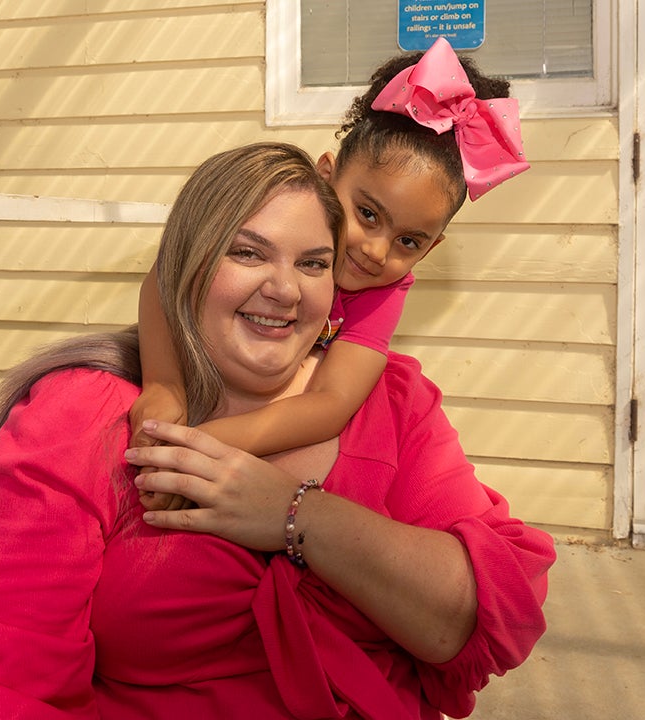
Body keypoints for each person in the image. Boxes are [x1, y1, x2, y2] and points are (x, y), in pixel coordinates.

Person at [0, 141, 554, 719]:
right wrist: (165, 393)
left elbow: (491, 612)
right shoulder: (85, 417)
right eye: (247, 252)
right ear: (193, 258)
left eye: (313, 263)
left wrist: (295, 514)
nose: (283, 289)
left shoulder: (393, 402)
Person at [131, 37, 529, 511]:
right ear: (325, 176)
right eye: (367, 213)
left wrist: (199, 446)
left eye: (409, 242)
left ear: (430, 249)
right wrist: (163, 383)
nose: (377, 251)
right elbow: (167, 273)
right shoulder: (278, 207)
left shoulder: (385, 292)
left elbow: (330, 404)